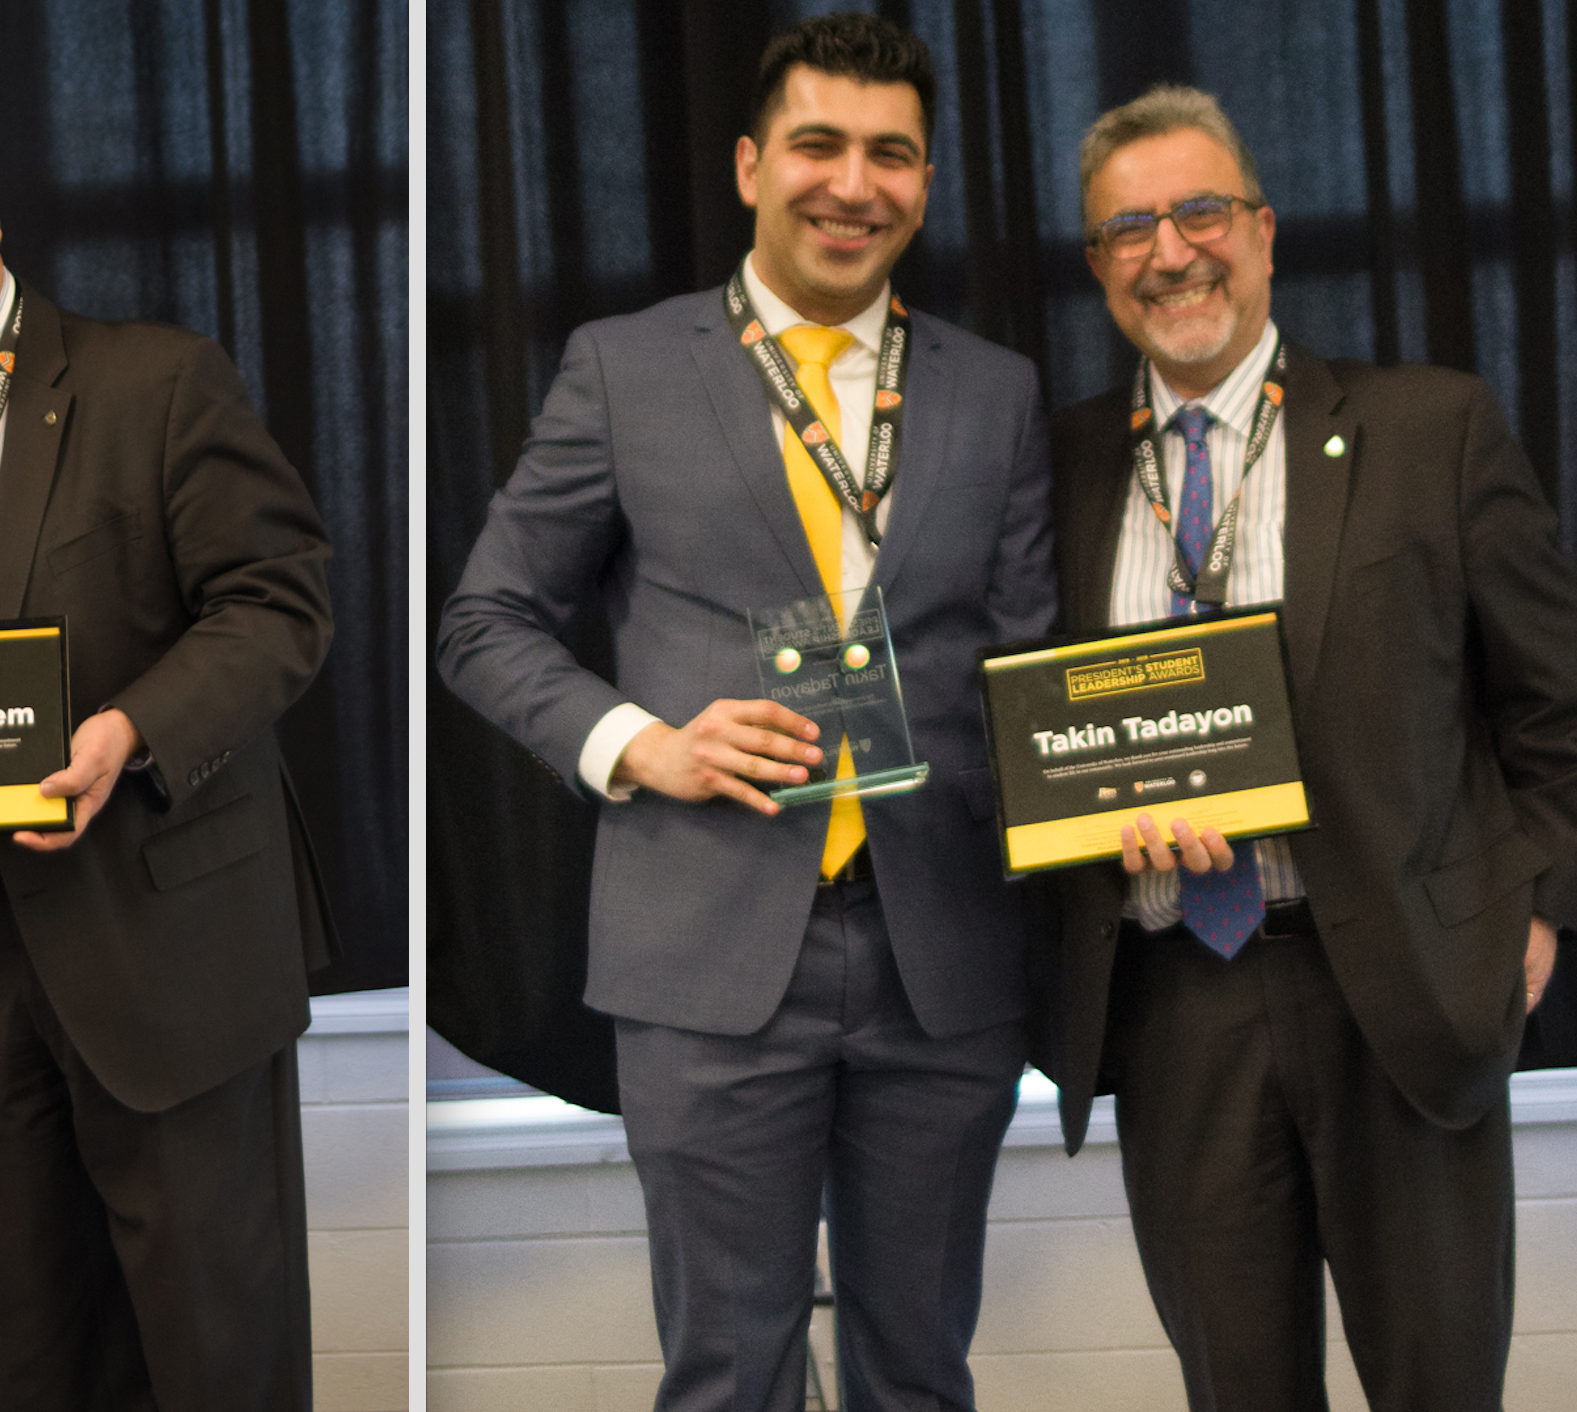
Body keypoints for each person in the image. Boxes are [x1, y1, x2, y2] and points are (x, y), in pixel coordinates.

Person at [440, 15, 1053, 1411]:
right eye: (817, 145)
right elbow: (481, 623)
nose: (853, 184)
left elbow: (1021, 665)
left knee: (919, 1372)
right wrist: (639, 744)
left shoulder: (997, 394)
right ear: (747, 165)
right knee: (727, 1371)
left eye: (890, 154)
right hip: (704, 959)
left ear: (927, 179)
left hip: (940, 961)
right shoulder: (623, 367)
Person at [1040, 85, 1577, 1411]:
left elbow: (1563, 705)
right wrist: (1078, 813)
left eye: (1198, 211)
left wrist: (1531, 921)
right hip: (1172, 994)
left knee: (1437, 1385)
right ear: (1095, 265)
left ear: (1262, 230)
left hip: (1404, 995)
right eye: (1128, 227)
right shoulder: (1056, 464)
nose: (1169, 250)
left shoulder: (1430, 428)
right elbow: (1023, 723)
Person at [0, 72, 335, 1411]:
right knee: (37, 1358)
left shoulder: (155, 381)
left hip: (161, 943)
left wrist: (126, 732)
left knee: (215, 1354)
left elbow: (278, 604)